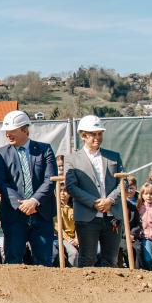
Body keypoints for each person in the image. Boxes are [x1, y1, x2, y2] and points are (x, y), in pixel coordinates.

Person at [0, 110, 58, 266]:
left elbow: (50, 179)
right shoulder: (1, 154)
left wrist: (34, 201)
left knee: (44, 261)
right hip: (14, 216)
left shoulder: (44, 150)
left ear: (25, 129)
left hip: (41, 215)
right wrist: (21, 204)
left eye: (12, 131)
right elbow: (1, 183)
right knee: (13, 260)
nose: (8, 134)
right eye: (6, 131)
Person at [64, 115, 125, 268]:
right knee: (87, 259)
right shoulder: (72, 159)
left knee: (111, 260)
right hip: (87, 217)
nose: (97, 138)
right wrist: (94, 202)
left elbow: (123, 182)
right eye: (93, 134)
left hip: (112, 216)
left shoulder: (114, 157)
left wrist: (110, 200)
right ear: (83, 135)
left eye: (99, 134)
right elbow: (71, 186)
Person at [57, 185, 79, 267]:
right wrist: (69, 240)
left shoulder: (75, 207)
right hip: (61, 238)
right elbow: (57, 228)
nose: (62, 193)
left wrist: (77, 238)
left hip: (75, 238)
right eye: (60, 190)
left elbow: (78, 225)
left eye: (65, 191)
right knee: (73, 253)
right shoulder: (55, 208)